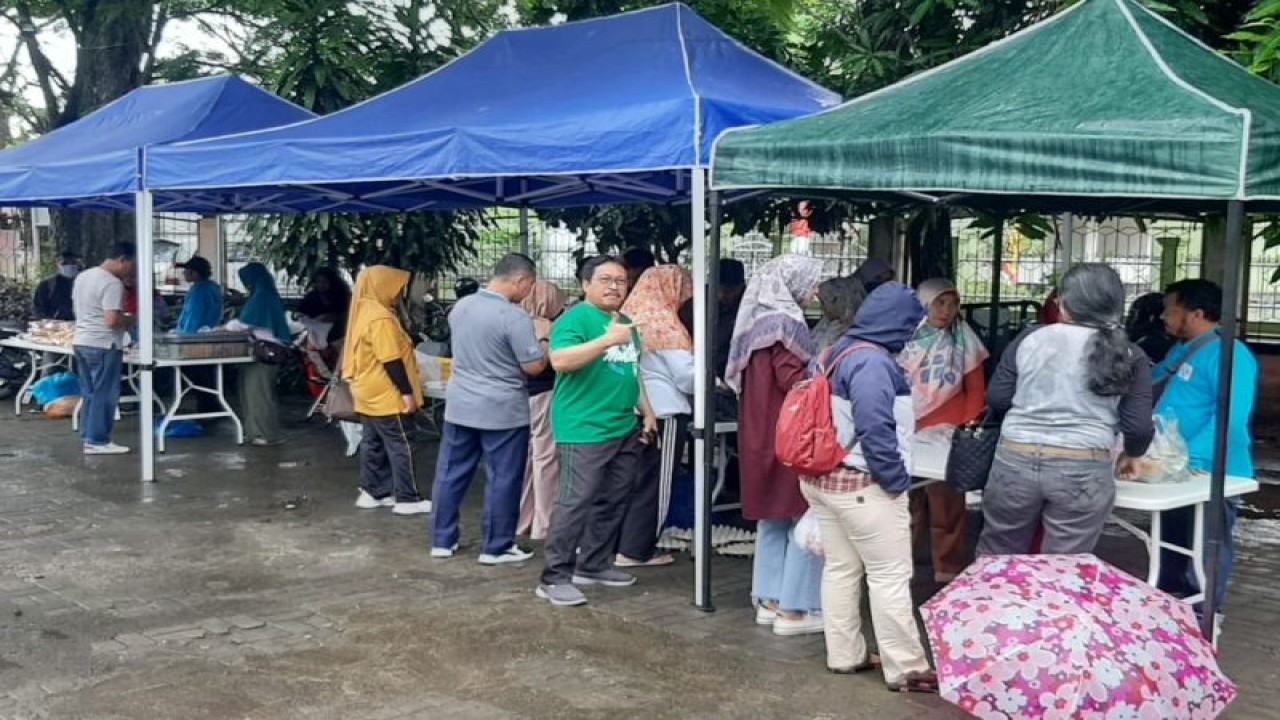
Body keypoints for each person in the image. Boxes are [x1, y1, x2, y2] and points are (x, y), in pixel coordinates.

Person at [800, 281, 938, 693]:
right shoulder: (873, 363)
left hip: (823, 479)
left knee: (841, 568)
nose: (914, 333)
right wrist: (896, 482)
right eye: (912, 324)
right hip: (863, 484)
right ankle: (907, 668)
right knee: (889, 576)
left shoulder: (834, 351)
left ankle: (844, 654)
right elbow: (875, 426)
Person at [978, 264, 1154, 556]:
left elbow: (997, 398)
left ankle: (989, 602)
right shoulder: (1130, 353)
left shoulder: (1029, 339)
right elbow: (1137, 426)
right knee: (1064, 565)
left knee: (997, 555)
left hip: (1015, 458)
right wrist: (1132, 454)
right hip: (1083, 465)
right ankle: (1052, 603)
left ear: (1065, 302)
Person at [536, 255, 658, 607]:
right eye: (605, 279)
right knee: (575, 501)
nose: (614, 286)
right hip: (583, 427)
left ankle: (593, 564)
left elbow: (632, 371)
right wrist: (607, 340)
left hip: (623, 424)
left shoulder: (625, 322)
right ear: (585, 284)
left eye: (620, 280)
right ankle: (554, 577)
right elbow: (560, 361)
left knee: (614, 496)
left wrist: (647, 410)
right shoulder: (575, 319)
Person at [725, 254, 825, 636]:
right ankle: (796, 608)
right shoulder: (786, 325)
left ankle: (767, 598)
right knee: (803, 515)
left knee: (772, 517)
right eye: (811, 282)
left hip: (757, 433)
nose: (815, 291)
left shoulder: (752, 323)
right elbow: (794, 380)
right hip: (789, 434)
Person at [430, 254, 547, 565]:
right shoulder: (515, 317)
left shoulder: (461, 307)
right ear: (521, 280)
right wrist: (545, 340)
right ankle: (496, 546)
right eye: (530, 285)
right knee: (503, 477)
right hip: (502, 409)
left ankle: (442, 540)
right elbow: (534, 366)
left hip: (460, 405)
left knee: (449, 474)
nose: (529, 292)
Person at [1154, 279, 1258, 616]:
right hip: (1175, 467)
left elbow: (1230, 416)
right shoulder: (1183, 349)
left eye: (1171, 309)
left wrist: (1192, 457)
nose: (1163, 317)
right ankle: (1168, 607)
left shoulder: (1230, 354)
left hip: (1209, 468)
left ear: (1196, 313)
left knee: (1205, 546)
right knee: (1171, 541)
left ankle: (1204, 616)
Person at [897, 279, 988, 584]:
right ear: (924, 303)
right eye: (939, 303)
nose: (947, 311)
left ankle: (947, 568)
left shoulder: (964, 338)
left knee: (947, 504)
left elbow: (975, 387)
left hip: (949, 434)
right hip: (907, 429)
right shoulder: (903, 337)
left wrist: (967, 426)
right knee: (906, 504)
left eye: (952, 304)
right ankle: (902, 565)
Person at [617, 265, 694, 568]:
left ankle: (619, 543)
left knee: (632, 480)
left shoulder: (627, 317)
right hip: (665, 411)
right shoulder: (666, 324)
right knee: (658, 485)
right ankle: (638, 550)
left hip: (633, 409)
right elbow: (687, 379)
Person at [346, 266, 430, 516]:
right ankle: (408, 497)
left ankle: (373, 492)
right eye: (394, 289)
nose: (397, 294)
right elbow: (391, 359)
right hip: (386, 391)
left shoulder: (363, 310)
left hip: (367, 389)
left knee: (373, 442)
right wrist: (407, 393)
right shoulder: (380, 318)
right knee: (402, 443)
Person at [71, 242, 137, 455]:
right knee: (104, 394)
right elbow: (111, 319)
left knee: (89, 393)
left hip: (82, 340)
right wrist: (130, 320)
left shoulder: (84, 276)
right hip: (103, 343)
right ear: (122, 260)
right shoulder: (111, 283)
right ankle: (98, 440)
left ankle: (88, 436)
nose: (132, 270)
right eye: (132, 264)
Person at [518, 279, 568, 541]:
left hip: (520, 396)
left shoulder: (514, 321)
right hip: (543, 395)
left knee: (526, 460)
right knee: (545, 459)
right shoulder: (542, 325)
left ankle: (522, 519)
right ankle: (544, 524)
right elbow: (541, 363)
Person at [237, 263, 291, 447]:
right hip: (264, 352)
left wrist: (223, 328)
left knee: (258, 393)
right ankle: (254, 431)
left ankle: (266, 433)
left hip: (266, 353)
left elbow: (246, 324)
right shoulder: (265, 294)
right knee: (251, 391)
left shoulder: (262, 297)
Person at [810, 276, 866, 351]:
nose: (823, 309)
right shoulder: (826, 322)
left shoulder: (848, 330)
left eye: (824, 303)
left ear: (837, 303)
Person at [175, 256, 223, 334]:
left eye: (187, 270)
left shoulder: (198, 292)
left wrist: (185, 338)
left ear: (195, 273)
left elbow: (193, 318)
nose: (184, 273)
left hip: (196, 338)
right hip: (211, 334)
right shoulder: (213, 287)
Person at [1127, 291, 1175, 364]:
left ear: (1151, 317)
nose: (1129, 319)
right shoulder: (1173, 341)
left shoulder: (1154, 345)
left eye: (1132, 314)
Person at [33, 249, 80, 321]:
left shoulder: (85, 284)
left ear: (78, 265)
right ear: (58, 265)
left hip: (81, 327)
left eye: (73, 262)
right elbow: (38, 308)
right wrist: (49, 322)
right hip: (55, 328)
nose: (69, 265)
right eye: (65, 263)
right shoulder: (47, 285)